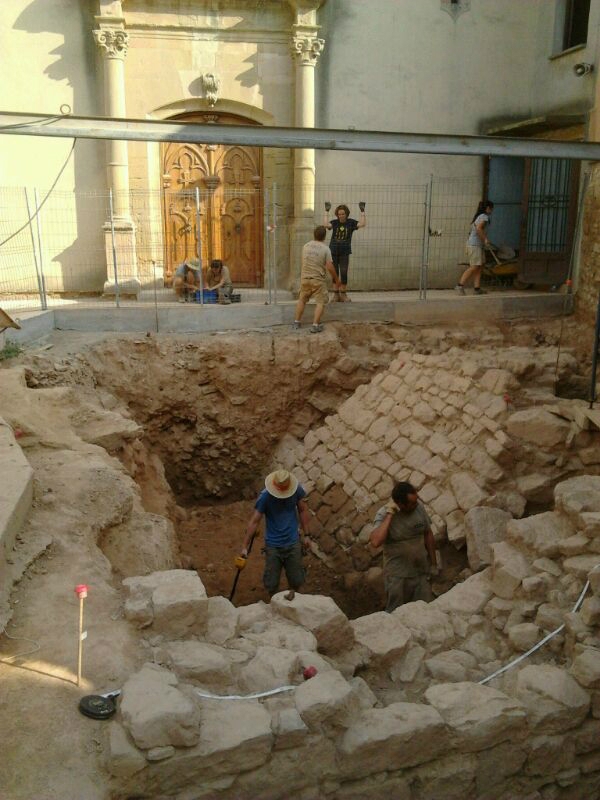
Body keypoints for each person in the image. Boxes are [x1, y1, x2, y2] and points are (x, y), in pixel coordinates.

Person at [242, 469, 311, 599]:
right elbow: (254, 521)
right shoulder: (265, 497)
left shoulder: (296, 490)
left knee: (297, 580)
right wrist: (244, 547)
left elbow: (302, 510)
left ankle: (295, 598)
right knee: (271, 583)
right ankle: (274, 601)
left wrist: (307, 535)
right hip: (273, 545)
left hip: (293, 541)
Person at [369, 481, 437, 613]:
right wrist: (390, 516)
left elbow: (428, 533)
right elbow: (376, 541)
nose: (416, 504)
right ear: (400, 504)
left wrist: (433, 563)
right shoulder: (384, 514)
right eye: (412, 503)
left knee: (425, 610)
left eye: (416, 500)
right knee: (397, 613)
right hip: (398, 577)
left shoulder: (419, 508)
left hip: (421, 572)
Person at [293, 225, 341, 334]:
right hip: (317, 280)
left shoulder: (306, 246)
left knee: (302, 300)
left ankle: (296, 322)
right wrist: (336, 279)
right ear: (324, 236)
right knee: (320, 302)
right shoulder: (325, 249)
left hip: (305, 278)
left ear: (314, 234)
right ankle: (315, 325)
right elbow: (329, 266)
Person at [323, 202, 366, 302]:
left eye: (343, 214)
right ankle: (336, 295)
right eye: (339, 214)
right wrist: (326, 211)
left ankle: (343, 294)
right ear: (337, 215)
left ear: (346, 214)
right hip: (333, 250)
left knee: (344, 272)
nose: (341, 216)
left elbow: (362, 224)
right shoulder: (335, 222)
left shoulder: (350, 223)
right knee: (335, 273)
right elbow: (325, 225)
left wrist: (362, 211)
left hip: (345, 252)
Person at [455, 200, 494, 296]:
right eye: (491, 208)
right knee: (474, 266)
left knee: (479, 267)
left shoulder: (478, 217)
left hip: (475, 245)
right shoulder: (484, 217)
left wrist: (484, 241)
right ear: (487, 208)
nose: (492, 210)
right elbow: (479, 229)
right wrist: (485, 239)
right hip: (475, 245)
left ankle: (477, 288)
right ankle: (460, 285)